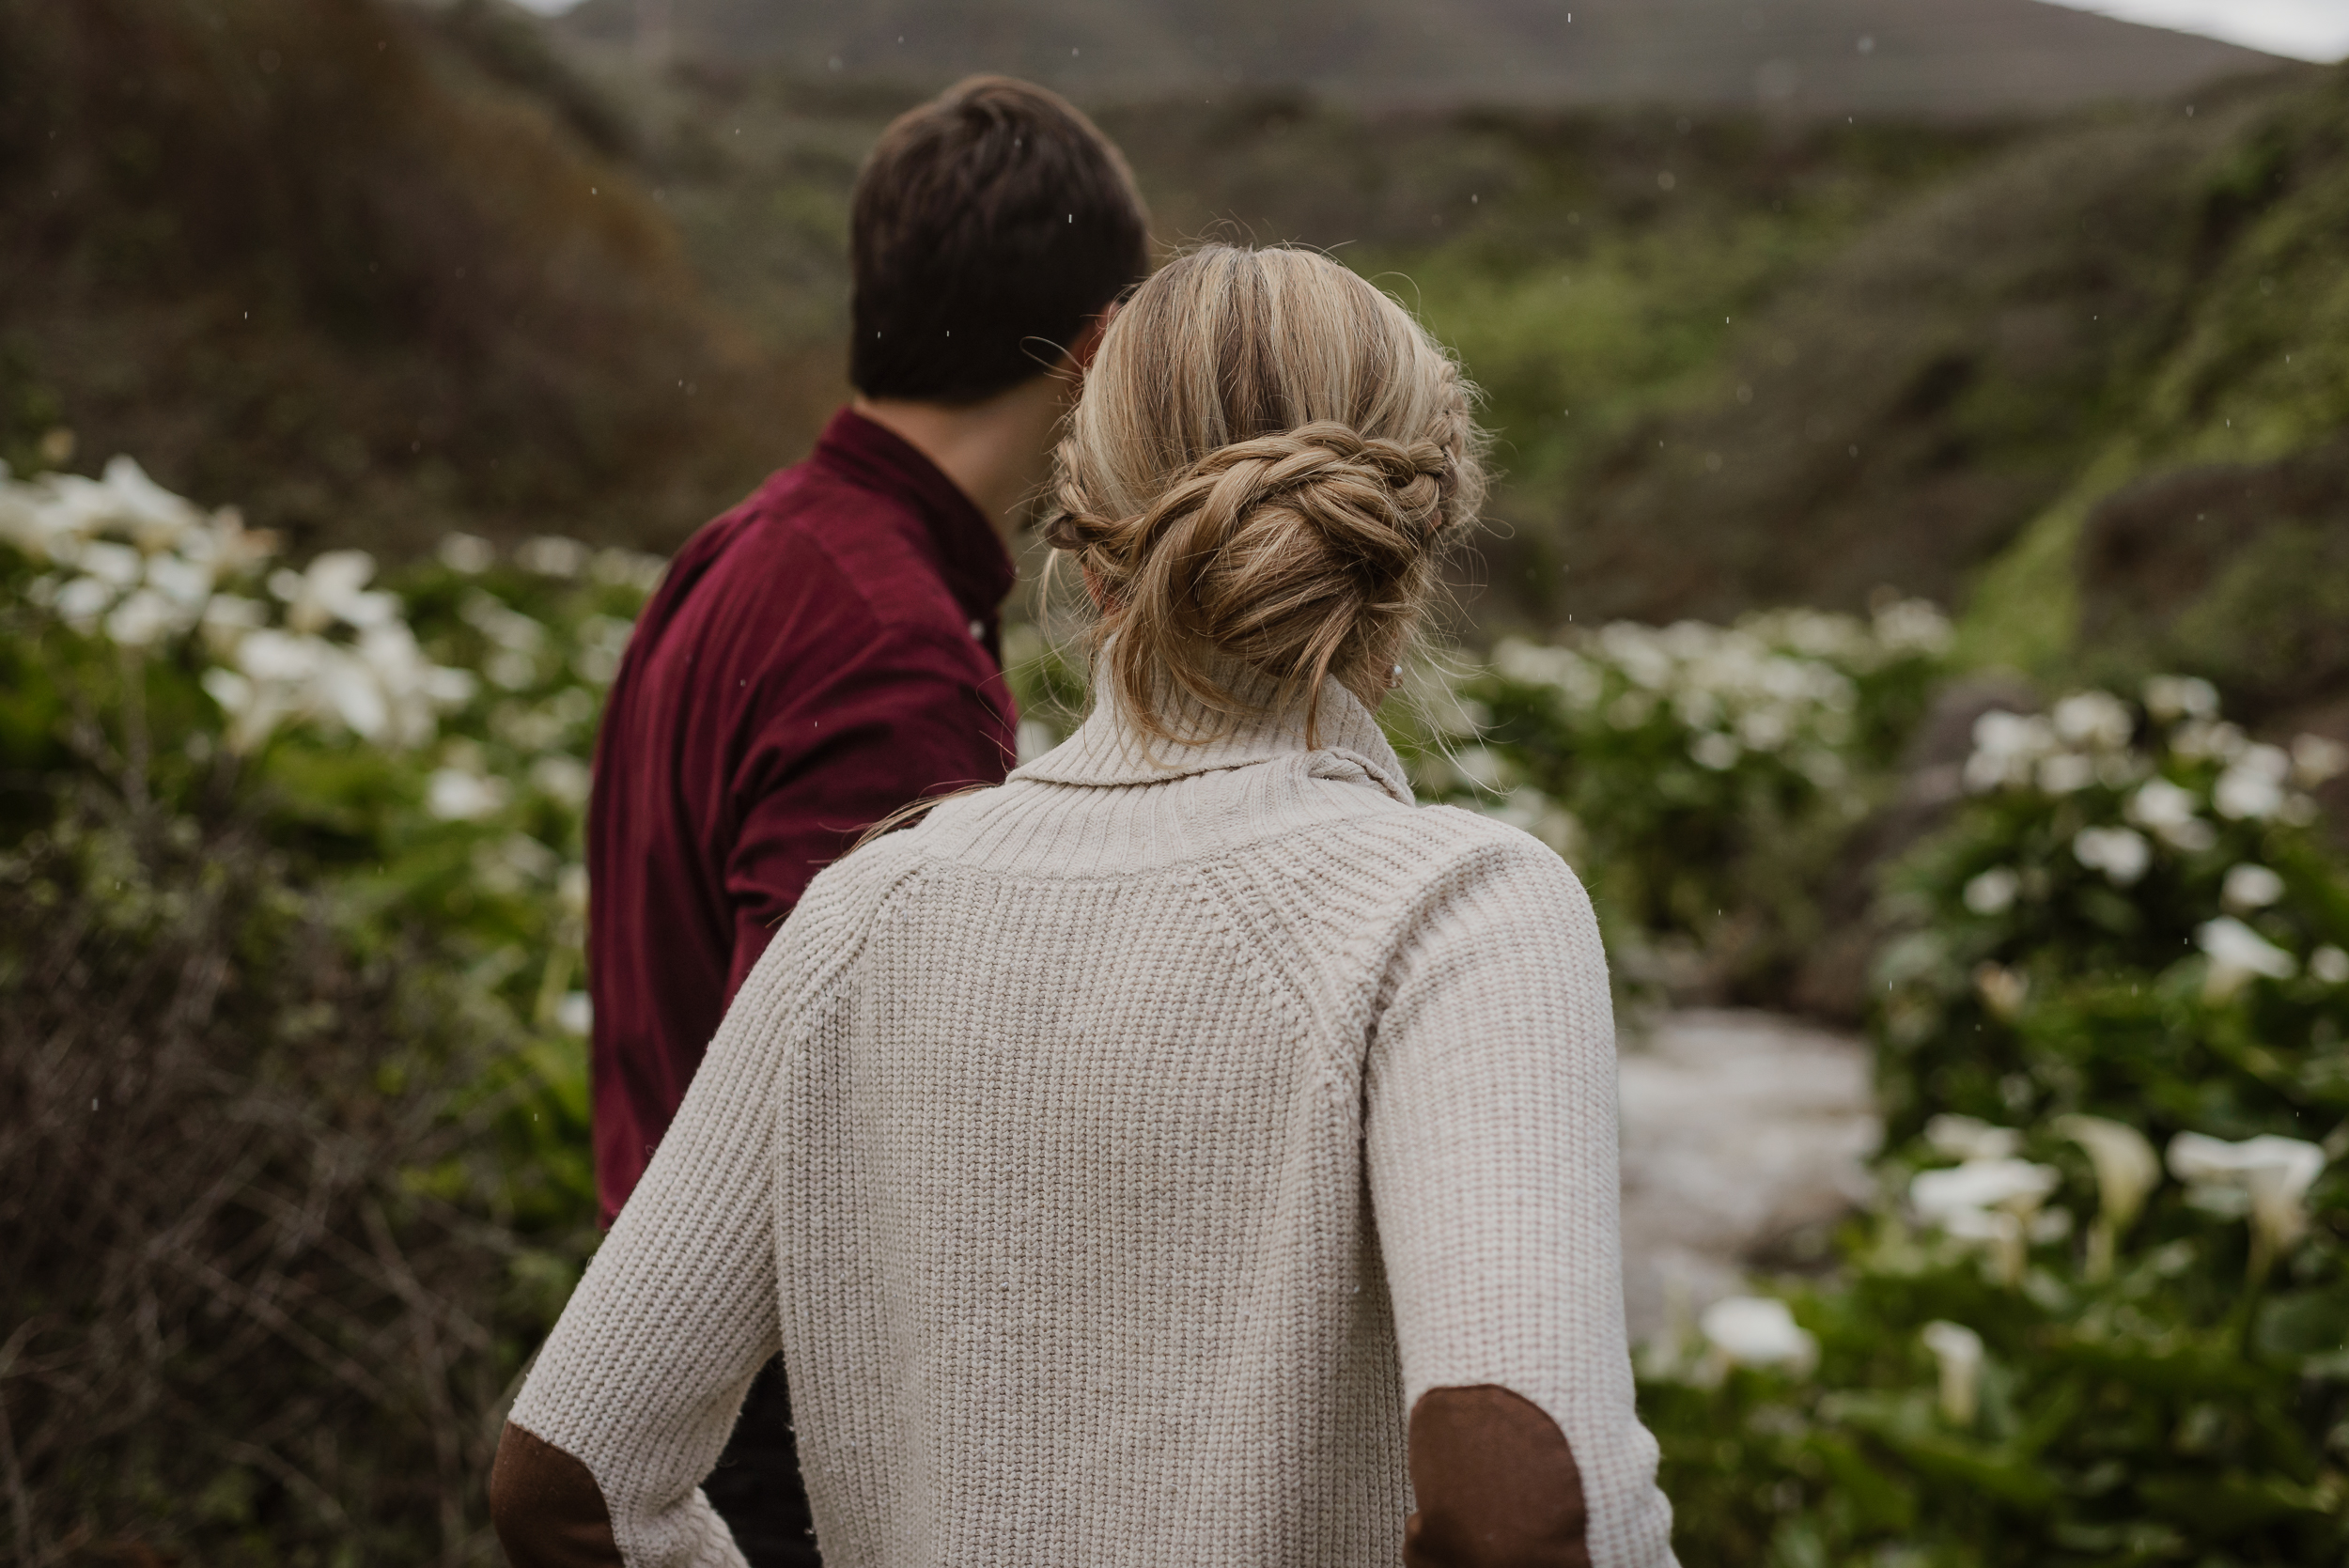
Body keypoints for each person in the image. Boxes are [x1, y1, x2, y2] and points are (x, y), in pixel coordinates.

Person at [496, 245, 1680, 1567]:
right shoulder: (1458, 914)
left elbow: (573, 1482)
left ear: (1093, 558)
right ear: (1399, 576)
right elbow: (1528, 1514)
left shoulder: (859, 917)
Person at [576, 76, 1149, 1565]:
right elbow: (838, 1121)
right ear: (1095, 352)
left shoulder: (751, 551)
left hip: (677, 1356)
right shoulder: (887, 646)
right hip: (776, 1419)